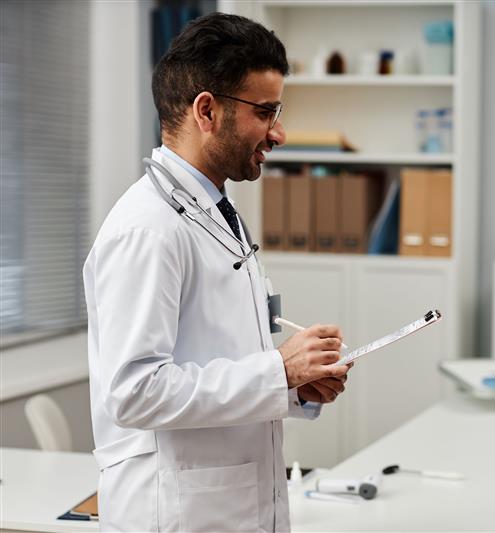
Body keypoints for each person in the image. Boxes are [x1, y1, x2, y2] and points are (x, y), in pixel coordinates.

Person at [83, 13, 350, 532]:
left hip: (228, 505)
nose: (279, 132)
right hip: (176, 510)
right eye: (266, 111)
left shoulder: (213, 213)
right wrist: (279, 371)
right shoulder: (148, 228)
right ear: (206, 110)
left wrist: (294, 387)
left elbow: (213, 361)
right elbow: (134, 391)